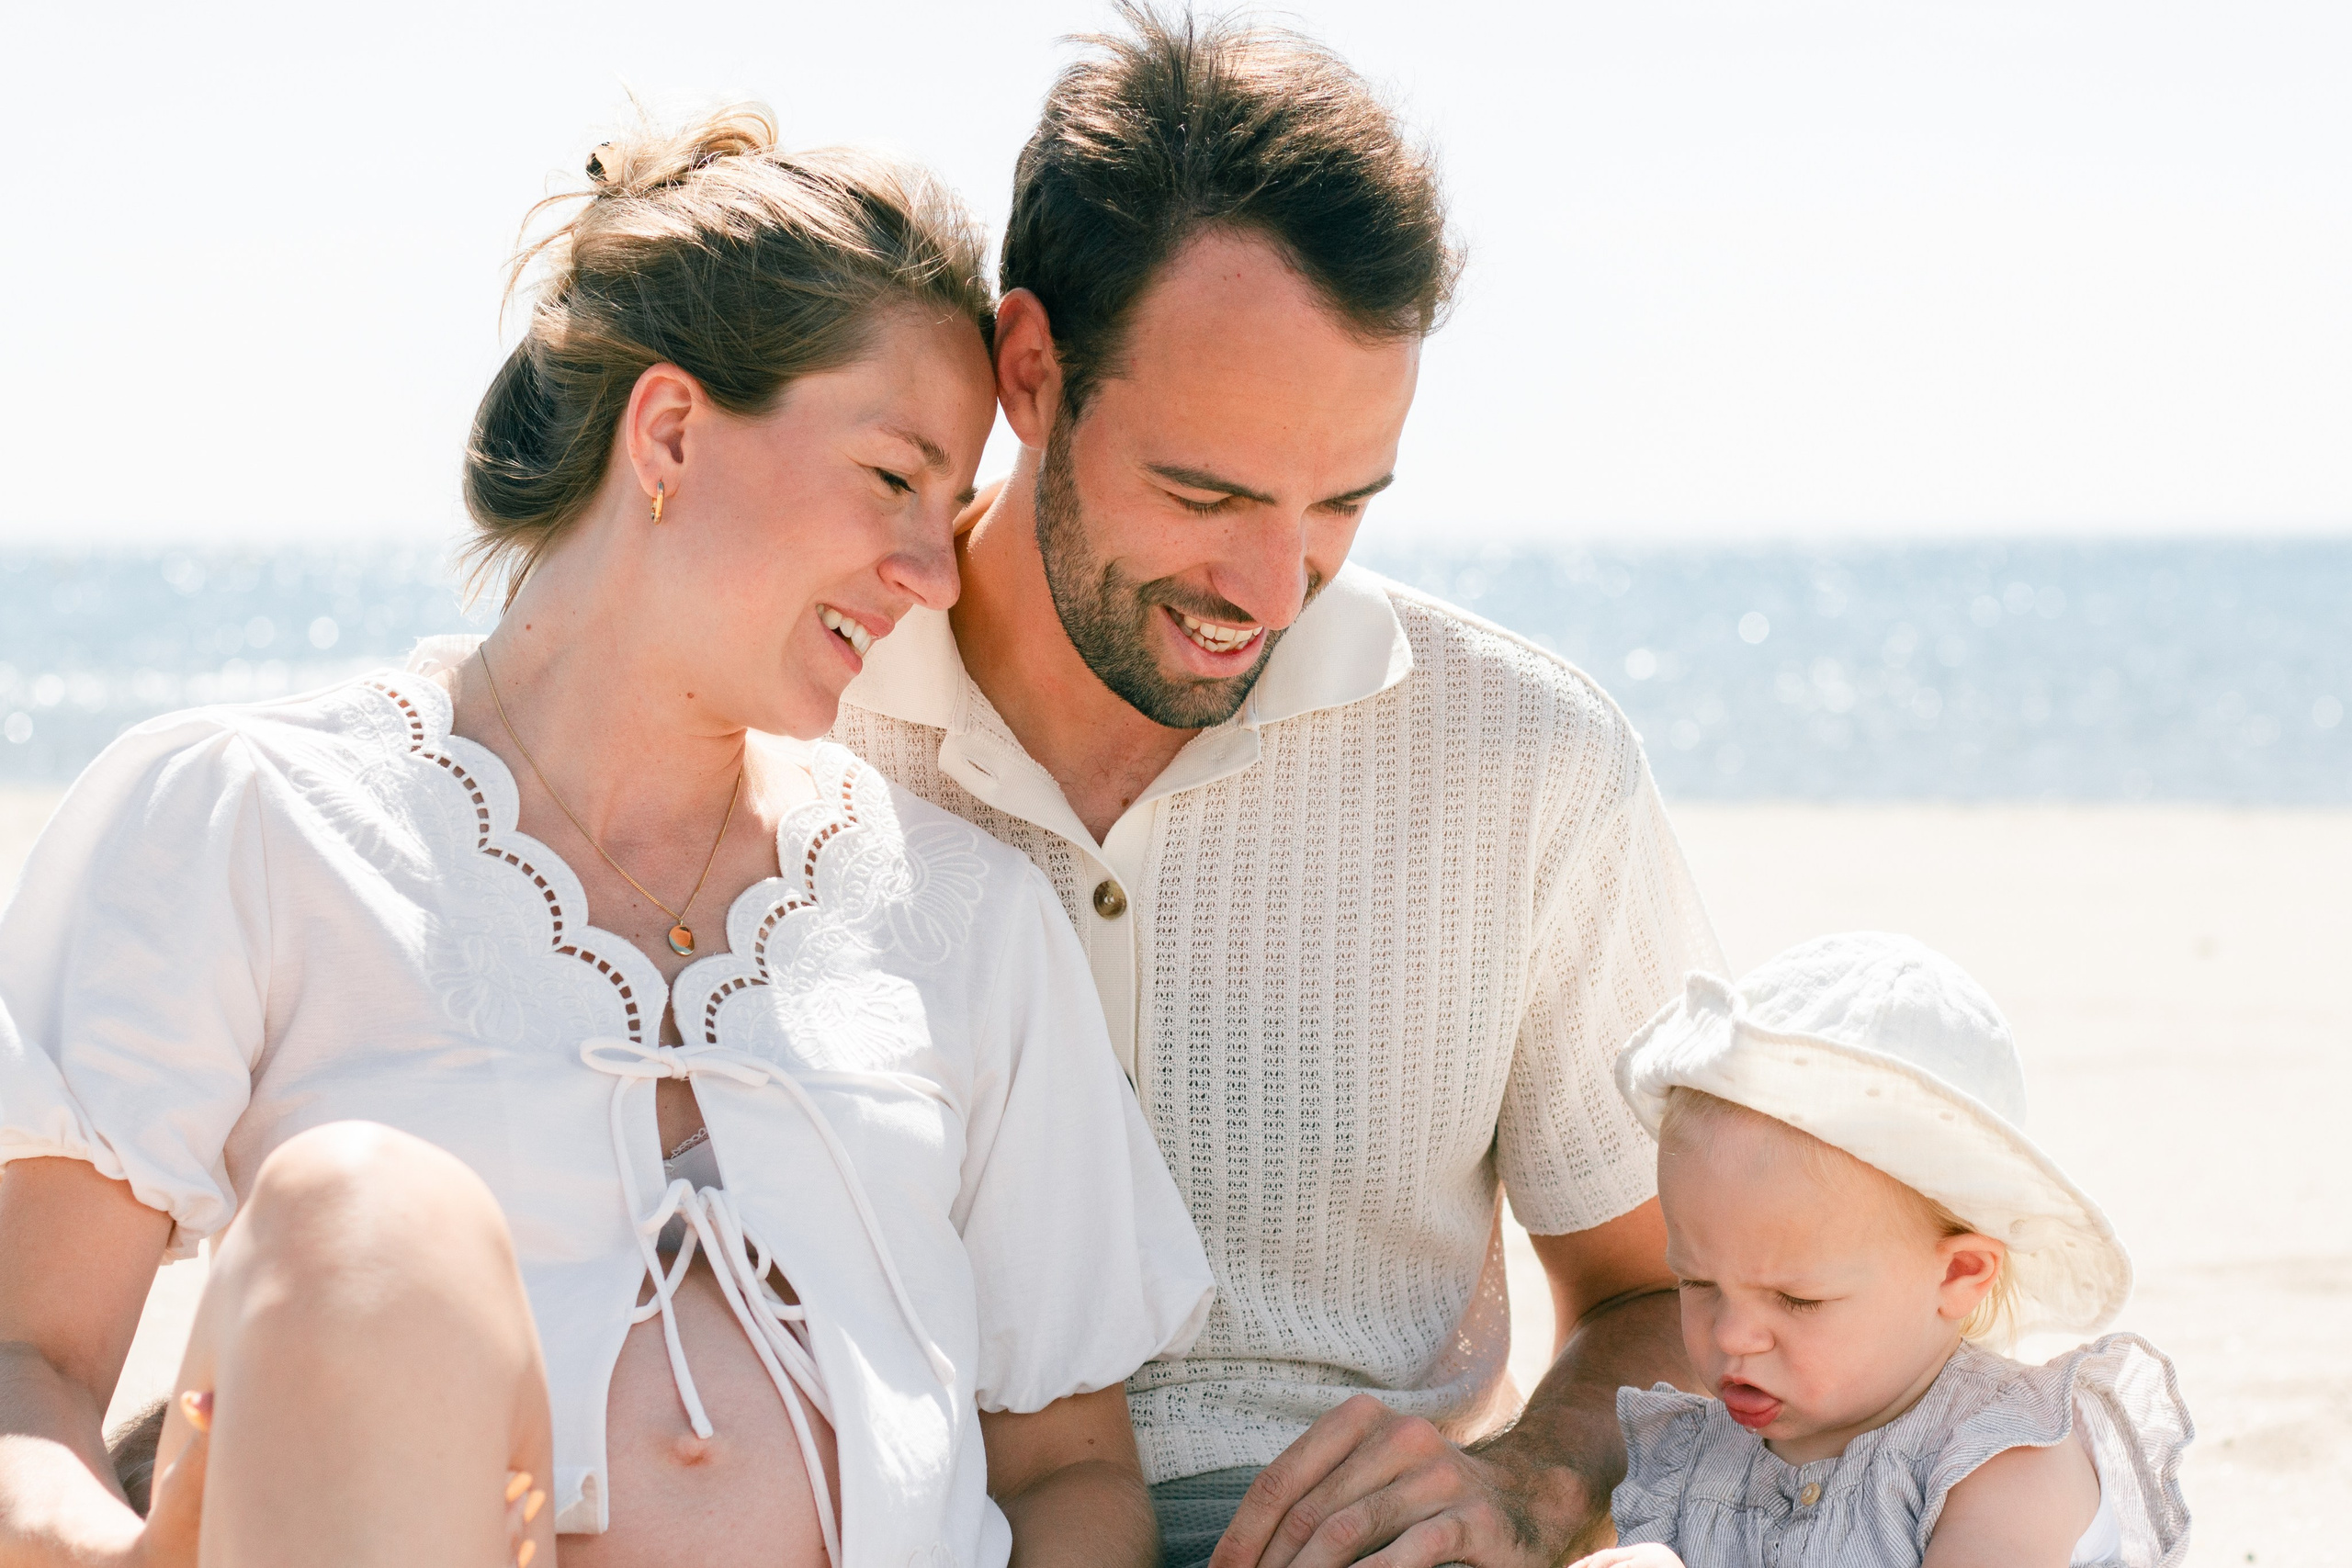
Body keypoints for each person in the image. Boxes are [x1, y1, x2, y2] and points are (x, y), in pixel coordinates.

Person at [0, 107, 1210, 1568]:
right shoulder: (248, 818)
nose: (927, 577)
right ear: (672, 430)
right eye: (894, 479)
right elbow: (31, 1369)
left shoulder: (967, 916)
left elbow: (1070, 1467)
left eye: (951, 511)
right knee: (359, 1208)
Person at [831, 9, 1723, 1563]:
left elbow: (1679, 1299)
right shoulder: (798, 719)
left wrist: (1526, 1486)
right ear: (1030, 369)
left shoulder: (1527, 764)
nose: (1266, 582)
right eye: (1206, 491)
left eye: (1340, 504)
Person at [1573, 933, 2191, 1566]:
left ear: (1959, 1274)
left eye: (1797, 1297)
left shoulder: (2004, 1459)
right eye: (1697, 1281)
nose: (1732, 1333)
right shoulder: (1696, 1461)